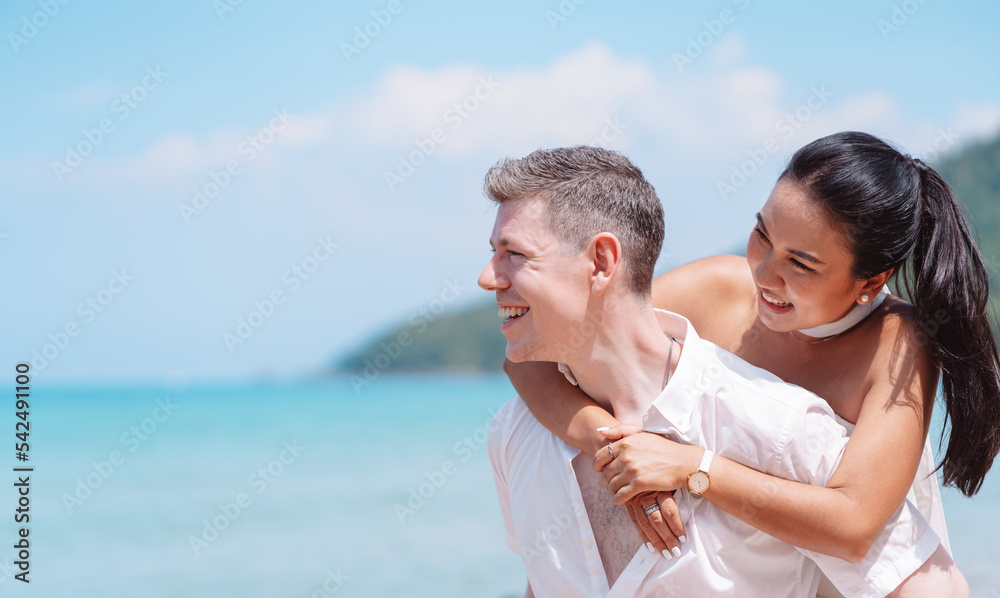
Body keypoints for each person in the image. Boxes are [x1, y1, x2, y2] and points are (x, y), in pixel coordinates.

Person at [506, 132, 998, 596]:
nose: (763, 273)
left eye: (800, 264)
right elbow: (535, 353)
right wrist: (612, 449)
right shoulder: (718, 288)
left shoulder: (900, 342)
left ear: (870, 282)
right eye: (762, 234)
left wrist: (693, 469)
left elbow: (854, 527)